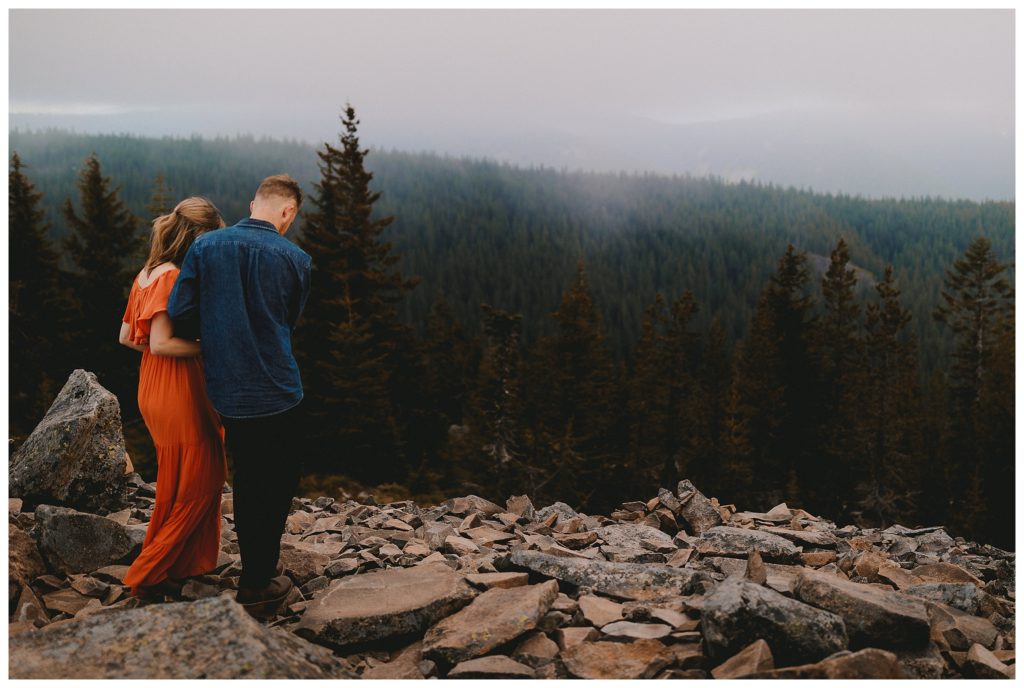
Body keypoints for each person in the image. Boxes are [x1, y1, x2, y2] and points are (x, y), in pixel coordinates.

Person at [168, 174, 311, 618]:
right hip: (280, 389)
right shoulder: (297, 259)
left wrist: (218, 329)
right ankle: (258, 580)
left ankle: (258, 573)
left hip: (228, 389)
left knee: (249, 479)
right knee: (280, 480)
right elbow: (289, 320)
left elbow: (180, 312)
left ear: (254, 203)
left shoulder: (206, 248)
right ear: (287, 212)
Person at [119, 197, 228, 599]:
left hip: (154, 385)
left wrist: (167, 349)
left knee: (180, 480)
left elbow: (129, 338)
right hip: (176, 388)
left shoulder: (146, 273)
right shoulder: (168, 277)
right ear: (195, 237)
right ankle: (148, 573)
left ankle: (173, 566)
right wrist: (208, 344)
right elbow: (162, 343)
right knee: (205, 476)